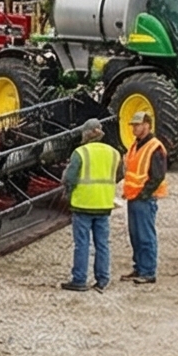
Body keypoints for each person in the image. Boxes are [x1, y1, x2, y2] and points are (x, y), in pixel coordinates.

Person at [61, 120, 118, 292]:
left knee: (82, 244)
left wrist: (67, 193)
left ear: (85, 134)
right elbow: (119, 173)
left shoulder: (80, 153)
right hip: (104, 204)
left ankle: (79, 279)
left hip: (83, 205)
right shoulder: (113, 153)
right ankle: (102, 279)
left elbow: (69, 178)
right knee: (102, 244)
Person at [120, 109, 168, 284]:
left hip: (144, 199)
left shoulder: (154, 147)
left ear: (147, 126)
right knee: (135, 235)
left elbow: (158, 175)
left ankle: (148, 271)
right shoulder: (135, 145)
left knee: (145, 236)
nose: (134, 129)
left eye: (137, 125)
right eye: (133, 125)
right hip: (134, 197)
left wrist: (144, 193)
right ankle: (139, 267)